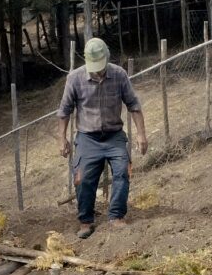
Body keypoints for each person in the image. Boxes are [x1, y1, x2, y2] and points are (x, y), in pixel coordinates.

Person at [57, 37, 148, 239]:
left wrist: (141, 134)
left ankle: (116, 216)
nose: (97, 71)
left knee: (123, 171)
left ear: (107, 57)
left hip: (114, 135)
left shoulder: (119, 75)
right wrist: (61, 138)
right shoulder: (75, 78)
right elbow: (64, 111)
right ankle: (85, 221)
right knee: (82, 178)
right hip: (87, 137)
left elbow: (134, 105)